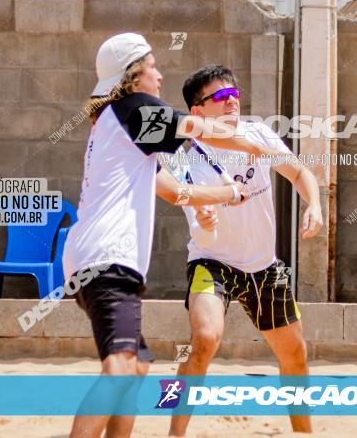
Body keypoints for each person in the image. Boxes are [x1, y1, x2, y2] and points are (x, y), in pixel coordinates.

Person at [63, 34, 285, 438]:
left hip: (91, 257)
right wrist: (255, 146)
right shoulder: (135, 107)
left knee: (137, 365)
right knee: (121, 367)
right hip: (107, 256)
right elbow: (198, 128)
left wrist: (226, 194)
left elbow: (170, 189)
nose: (160, 75)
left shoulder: (119, 122)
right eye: (152, 67)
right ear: (134, 75)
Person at [169, 65, 323, 436]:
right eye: (221, 97)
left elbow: (300, 173)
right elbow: (198, 226)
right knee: (205, 340)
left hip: (263, 267)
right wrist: (205, 221)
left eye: (235, 94)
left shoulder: (256, 134)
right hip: (213, 261)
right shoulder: (184, 156)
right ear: (198, 112)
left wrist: (313, 205)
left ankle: (304, 432)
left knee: (295, 355)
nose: (232, 100)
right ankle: (175, 432)